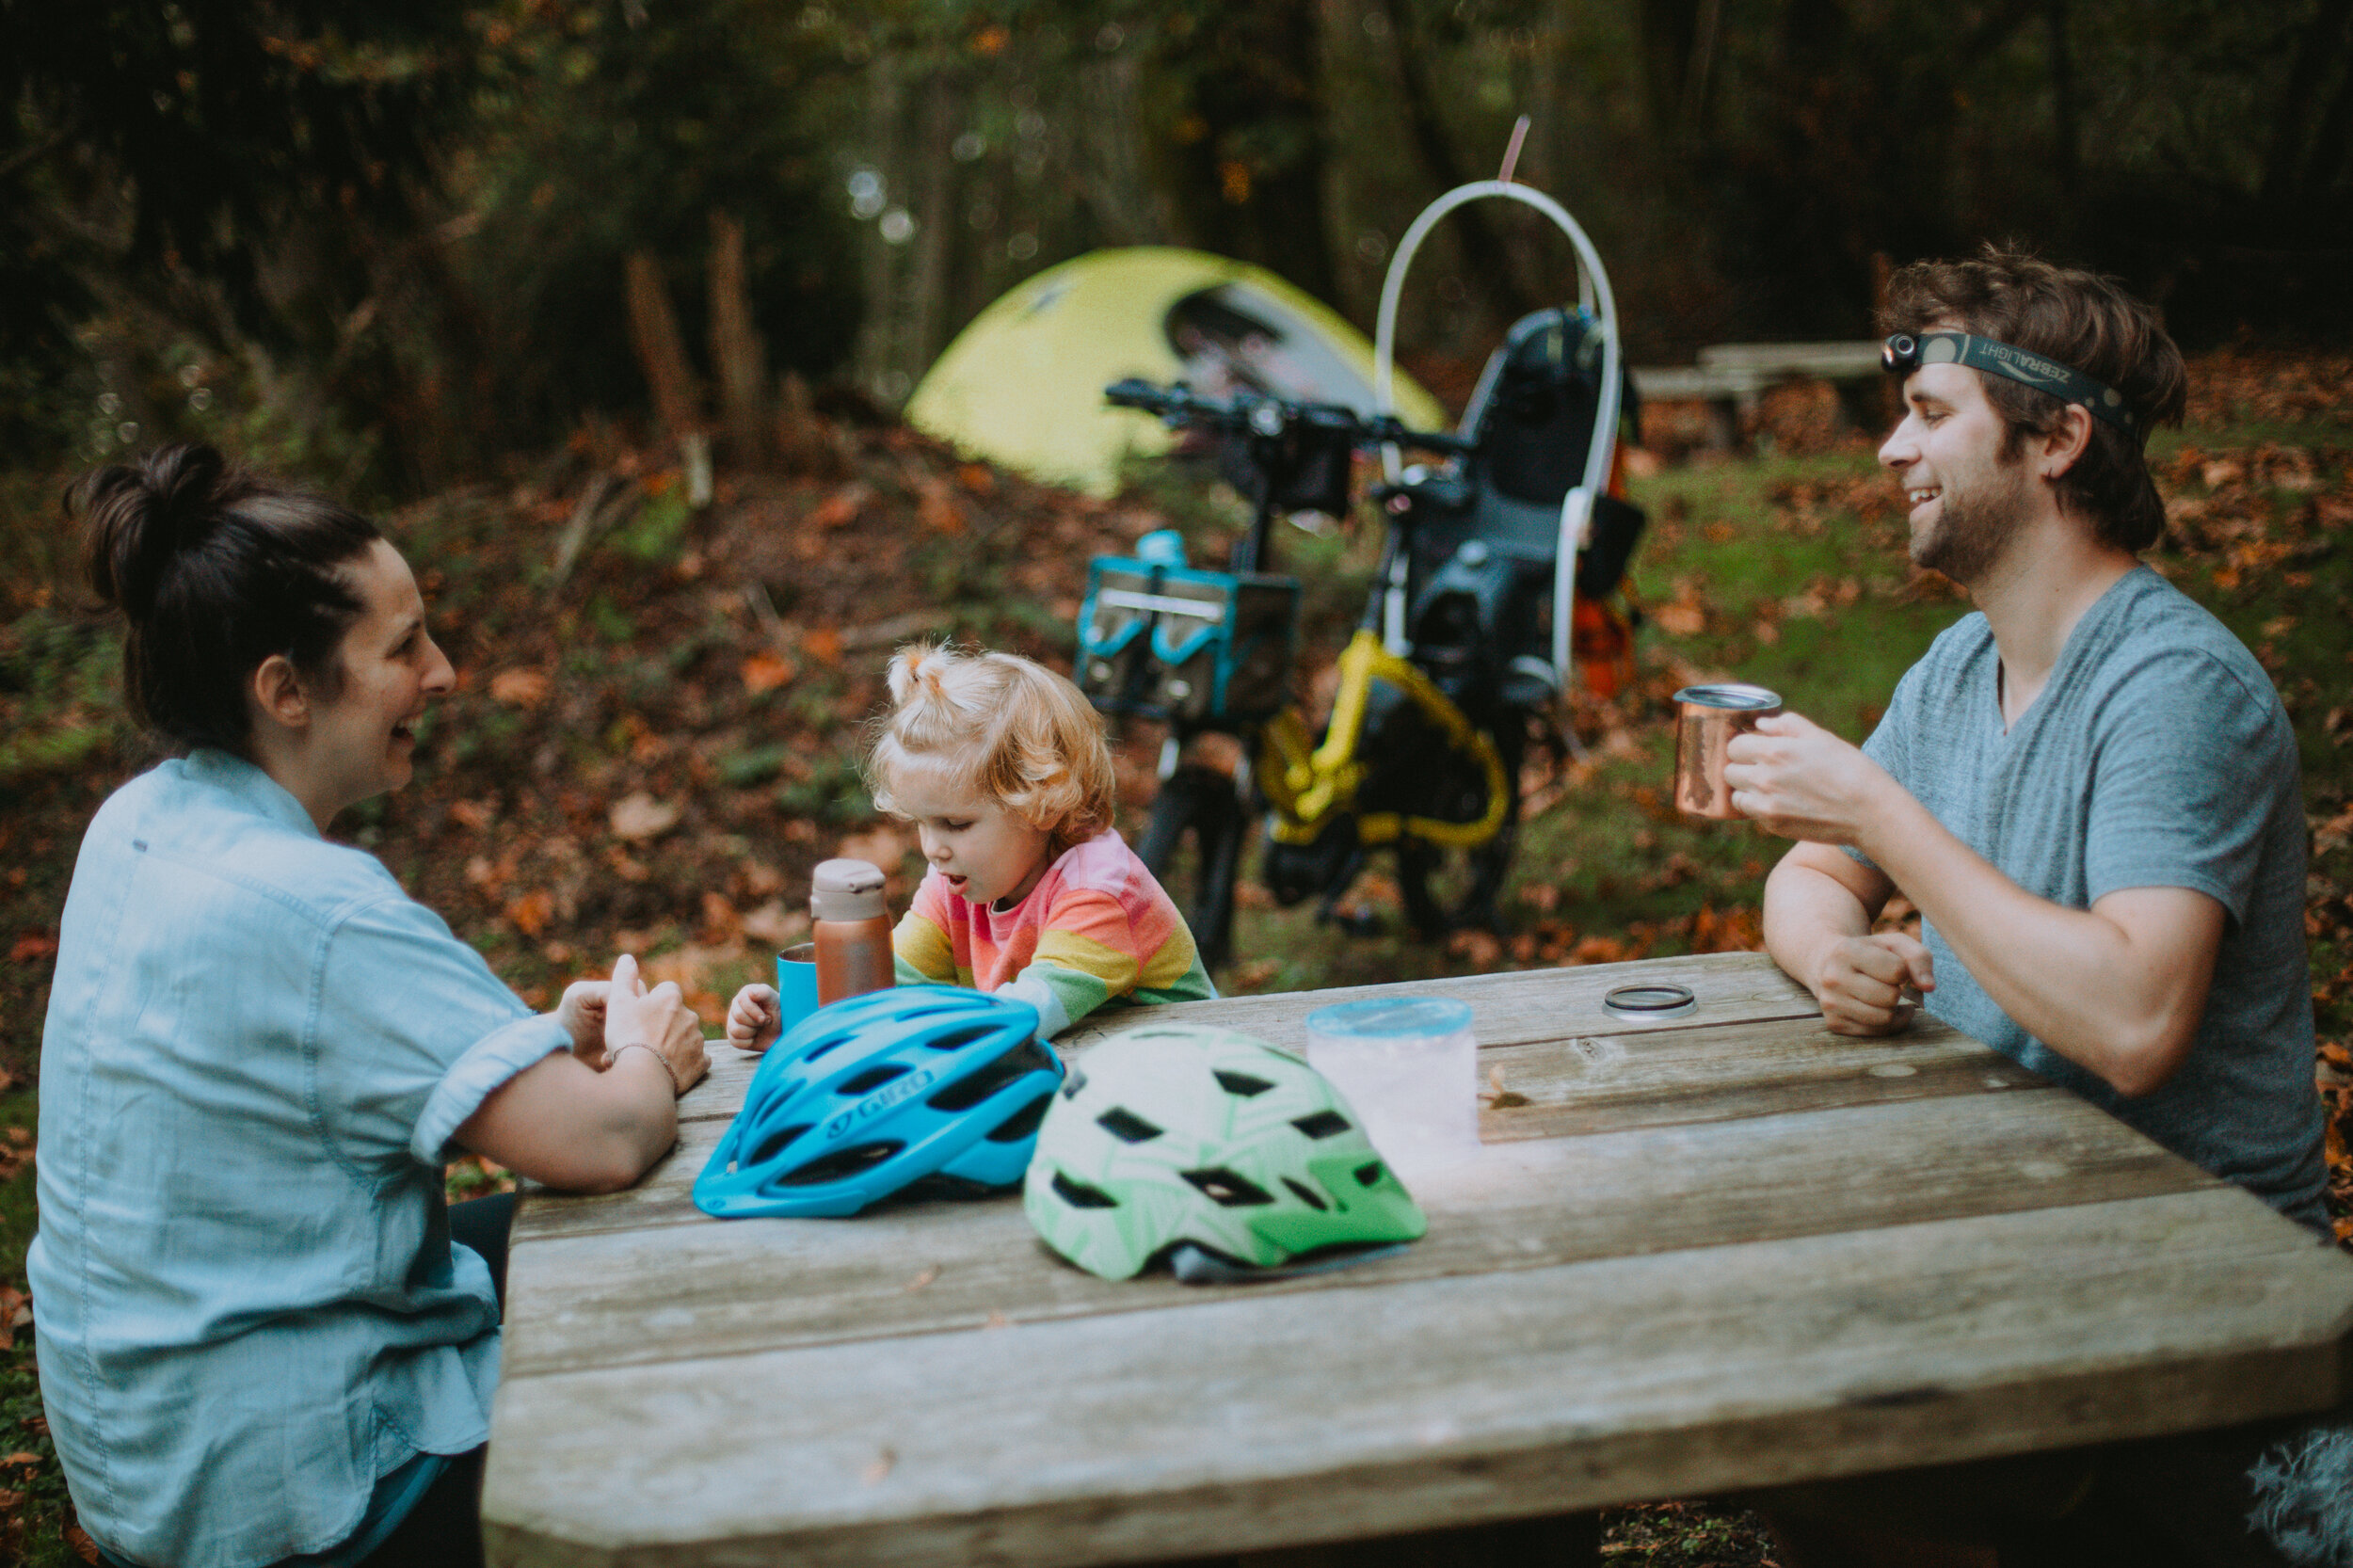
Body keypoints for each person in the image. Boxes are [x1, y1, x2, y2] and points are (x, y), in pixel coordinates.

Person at [1721, 249, 2335, 1564]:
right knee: (1767, 1385)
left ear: (2056, 439)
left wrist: (1882, 815)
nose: (1892, 449)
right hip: (2028, 1250)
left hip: (2197, 1308)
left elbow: (2134, 1015)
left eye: (1932, 414)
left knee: (1827, 1438)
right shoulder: (1960, 669)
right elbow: (1809, 874)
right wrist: (1836, 953)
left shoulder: (2174, 691)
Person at [31, 445, 712, 1568]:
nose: (442, 672)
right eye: (403, 647)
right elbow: (599, 1141)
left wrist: (542, 1044)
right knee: (659, 1267)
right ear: (284, 688)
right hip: (287, 1494)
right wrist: (648, 1056)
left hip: (148, 1450)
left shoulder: (143, 821)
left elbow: (316, 1060)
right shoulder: (316, 908)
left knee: (529, 1248)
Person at [728, 642, 1214, 1051]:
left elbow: (1023, 1017)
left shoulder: (1100, 890)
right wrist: (801, 1021)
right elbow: (885, 987)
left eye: (956, 824)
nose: (933, 849)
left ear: (1041, 805)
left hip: (1193, 1082)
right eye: (922, 824)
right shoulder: (955, 883)